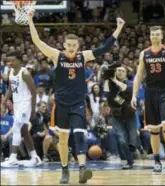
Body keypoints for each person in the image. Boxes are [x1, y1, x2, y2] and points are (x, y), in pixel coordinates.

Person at [27, 8, 125, 184]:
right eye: (69, 45)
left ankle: (82, 169)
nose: (71, 48)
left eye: (74, 45)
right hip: (61, 104)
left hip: (78, 103)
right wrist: (30, 20)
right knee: (63, 139)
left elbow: (105, 47)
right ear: (64, 45)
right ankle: (65, 170)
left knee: (80, 135)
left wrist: (118, 28)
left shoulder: (83, 56)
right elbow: (37, 41)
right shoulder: (57, 55)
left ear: (78, 46)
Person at [131, 26, 165, 174]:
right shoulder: (144, 53)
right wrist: (134, 95)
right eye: (152, 34)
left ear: (162, 35)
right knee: (154, 129)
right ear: (150, 36)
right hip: (150, 93)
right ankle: (157, 161)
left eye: (157, 34)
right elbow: (139, 76)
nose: (155, 36)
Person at [1, 51, 42, 167]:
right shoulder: (10, 72)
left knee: (16, 128)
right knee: (24, 131)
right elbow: (10, 89)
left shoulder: (25, 73)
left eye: (12, 60)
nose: (10, 63)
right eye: (8, 61)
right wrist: (3, 102)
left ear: (19, 60)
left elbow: (34, 92)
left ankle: (13, 159)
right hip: (17, 104)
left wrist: (33, 110)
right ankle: (35, 157)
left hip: (26, 103)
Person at [104, 66, 137, 169]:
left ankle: (132, 153)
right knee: (122, 140)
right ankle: (129, 161)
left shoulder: (130, 83)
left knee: (132, 142)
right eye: (118, 70)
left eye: (123, 71)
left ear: (126, 74)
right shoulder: (111, 84)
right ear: (115, 72)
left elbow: (126, 89)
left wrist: (114, 80)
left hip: (129, 115)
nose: (120, 72)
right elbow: (106, 93)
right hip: (117, 116)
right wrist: (107, 78)